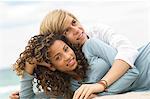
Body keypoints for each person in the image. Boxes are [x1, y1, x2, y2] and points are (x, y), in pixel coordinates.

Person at [9, 9, 139, 98]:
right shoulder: (68, 84)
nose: (77, 30)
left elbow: (129, 60)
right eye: (66, 31)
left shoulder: (91, 43)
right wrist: (29, 67)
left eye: (74, 22)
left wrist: (100, 90)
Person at [13, 32, 150, 99]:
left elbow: (132, 72)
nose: (68, 57)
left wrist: (99, 92)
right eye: (58, 57)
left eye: (66, 49)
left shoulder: (91, 46)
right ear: (51, 66)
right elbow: (28, 98)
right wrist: (29, 68)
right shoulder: (68, 88)